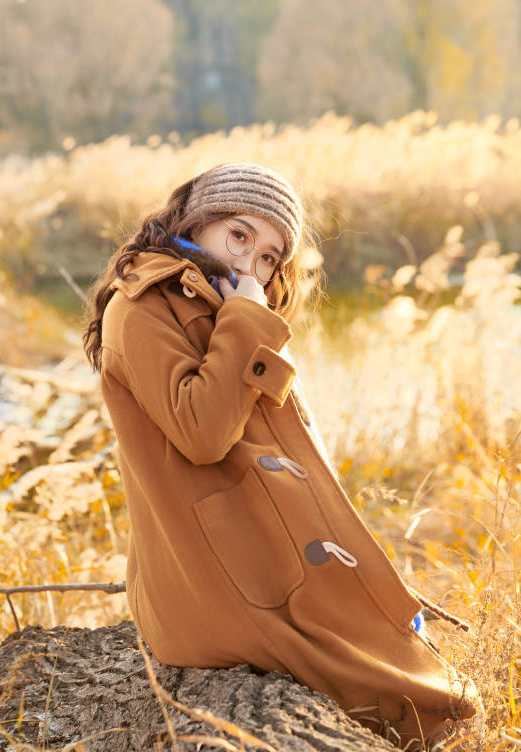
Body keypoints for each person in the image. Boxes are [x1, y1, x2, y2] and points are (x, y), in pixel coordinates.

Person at [82, 162, 481, 750]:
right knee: (401, 691)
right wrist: (246, 317)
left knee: (411, 668)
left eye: (269, 257)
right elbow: (201, 432)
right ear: (197, 221)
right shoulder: (140, 308)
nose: (249, 264)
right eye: (239, 236)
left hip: (254, 545)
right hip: (213, 571)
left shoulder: (218, 302)